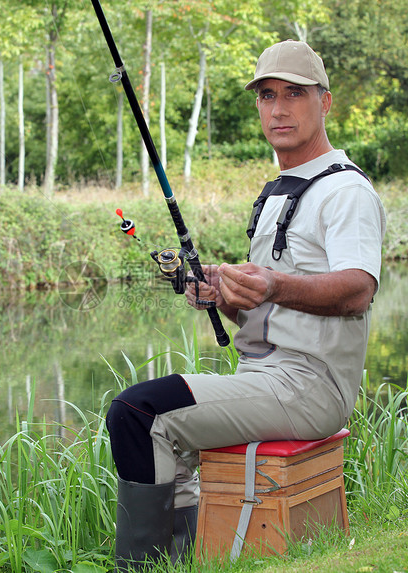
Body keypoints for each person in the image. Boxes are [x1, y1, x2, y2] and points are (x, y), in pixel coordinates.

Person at [105, 39, 387, 571]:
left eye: (294, 94)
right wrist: (225, 295)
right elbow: (265, 310)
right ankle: (187, 560)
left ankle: (138, 568)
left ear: (324, 102)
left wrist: (274, 284)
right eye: (266, 96)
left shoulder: (345, 191)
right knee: (157, 429)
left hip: (310, 385)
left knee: (138, 413)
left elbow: (357, 289)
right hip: (266, 374)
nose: (278, 109)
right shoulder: (278, 190)